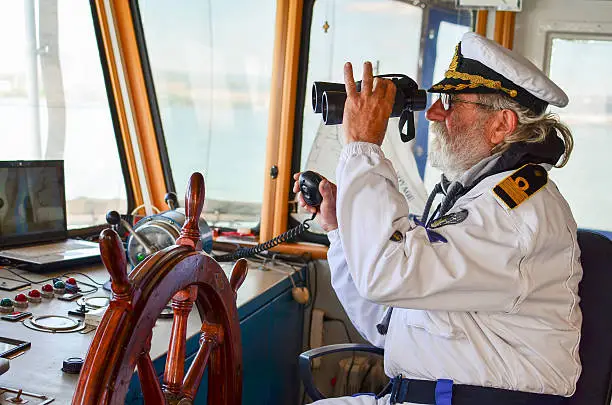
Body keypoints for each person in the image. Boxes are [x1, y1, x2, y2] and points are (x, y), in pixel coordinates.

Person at [293, 32, 582, 405]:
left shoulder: (516, 213)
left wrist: (363, 146)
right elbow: (388, 321)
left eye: (451, 101)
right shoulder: (475, 197)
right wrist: (338, 229)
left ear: (501, 124)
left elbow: (385, 274)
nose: (432, 112)